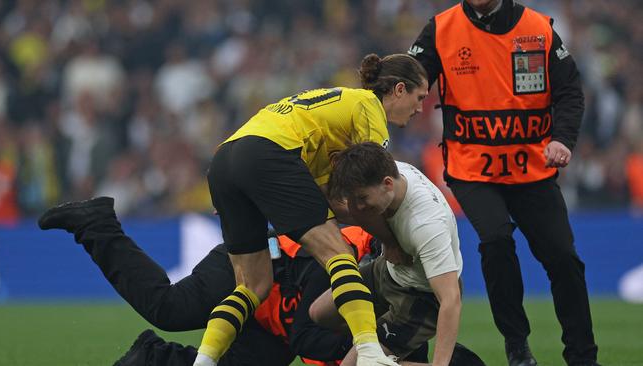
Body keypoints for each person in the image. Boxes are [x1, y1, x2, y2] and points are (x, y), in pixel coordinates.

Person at [195, 53, 429, 366]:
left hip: (226, 160)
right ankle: (372, 355)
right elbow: (376, 189)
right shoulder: (368, 105)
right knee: (339, 254)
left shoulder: (329, 124)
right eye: (420, 97)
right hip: (269, 154)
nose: (421, 108)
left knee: (253, 286)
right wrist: (392, 240)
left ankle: (204, 360)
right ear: (399, 90)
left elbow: (331, 204)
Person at [407, 1, 599, 365]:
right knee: (495, 238)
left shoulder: (537, 27)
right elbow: (411, 78)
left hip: (532, 169)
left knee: (564, 259)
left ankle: (583, 357)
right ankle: (516, 343)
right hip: (473, 169)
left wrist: (563, 138)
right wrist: (389, 95)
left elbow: (570, 90)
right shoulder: (441, 28)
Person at [37, 196, 371, 366]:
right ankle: (96, 223)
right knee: (170, 309)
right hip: (252, 264)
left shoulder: (384, 289)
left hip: (274, 327)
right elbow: (306, 336)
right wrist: (367, 348)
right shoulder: (346, 261)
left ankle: (150, 359)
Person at [310, 142, 469, 366]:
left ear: (387, 184)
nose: (356, 208)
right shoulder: (382, 172)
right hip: (389, 270)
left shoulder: (427, 225)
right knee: (320, 313)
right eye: (352, 199)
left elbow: (450, 299)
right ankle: (379, 348)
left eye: (362, 198)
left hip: (420, 298)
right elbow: (357, 209)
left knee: (353, 365)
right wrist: (389, 242)